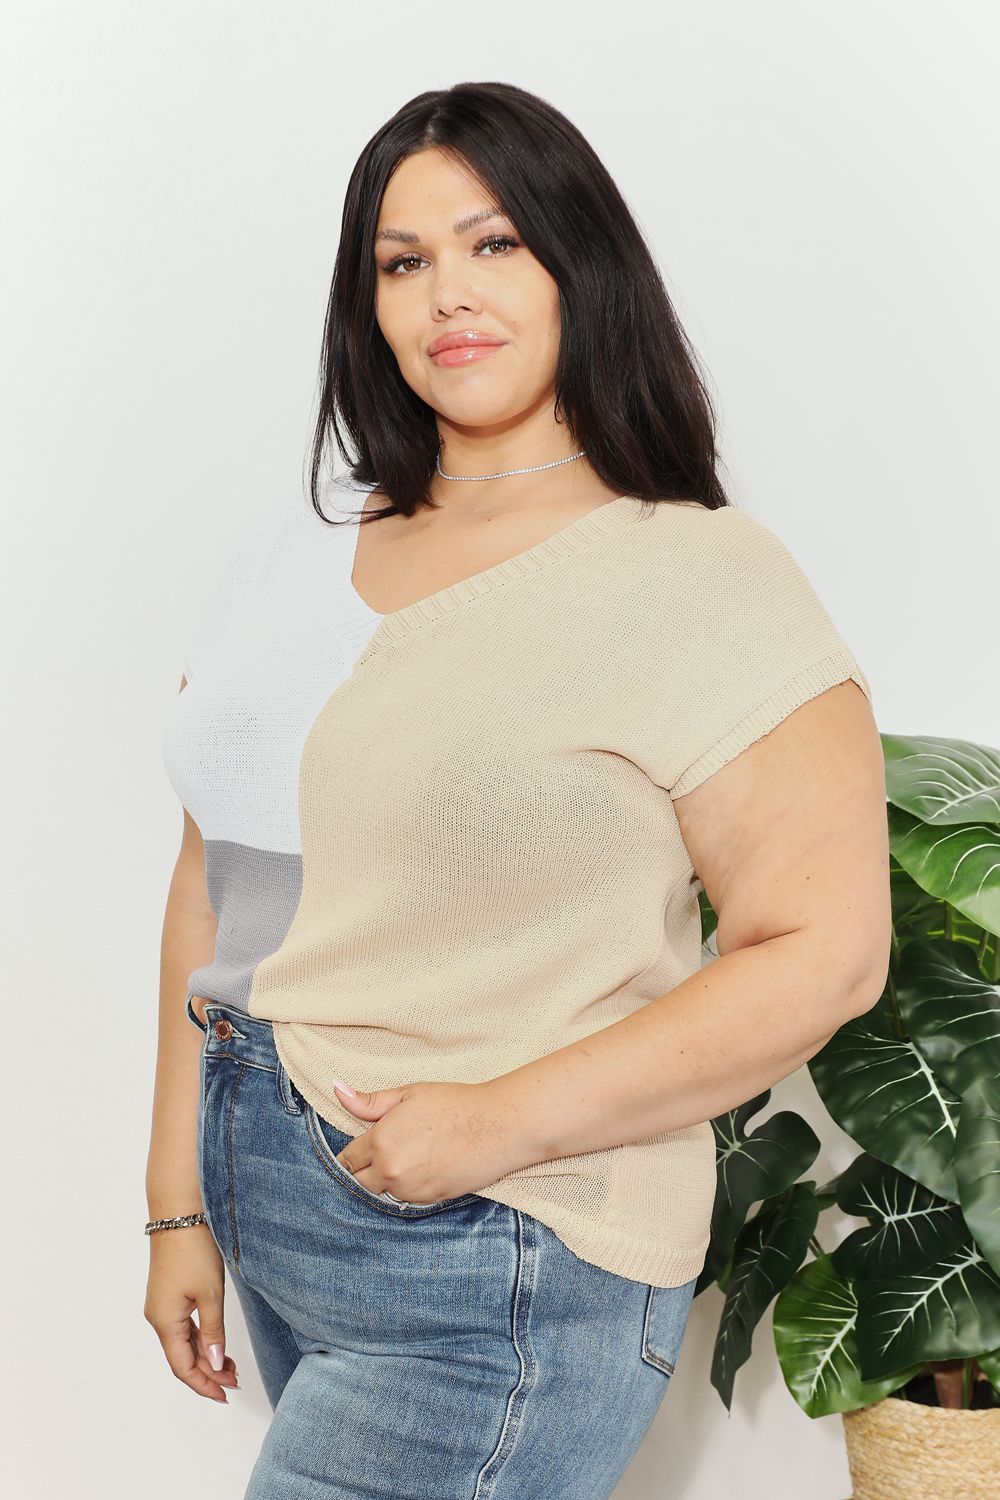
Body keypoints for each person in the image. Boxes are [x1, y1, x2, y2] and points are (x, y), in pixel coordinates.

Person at [145, 81, 891, 1499]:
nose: (447, 297)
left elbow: (831, 951)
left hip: (501, 1246)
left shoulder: (696, 575)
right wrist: (174, 1200)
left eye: (496, 245)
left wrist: (498, 1120)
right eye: (402, 261)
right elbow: (212, 875)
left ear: (579, 262)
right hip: (281, 1213)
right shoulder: (305, 557)